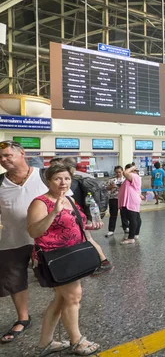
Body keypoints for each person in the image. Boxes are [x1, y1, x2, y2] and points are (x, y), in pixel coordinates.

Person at [26, 163, 101, 356]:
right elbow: (34, 231)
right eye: (58, 178)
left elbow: (75, 225)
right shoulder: (40, 202)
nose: (63, 182)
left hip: (72, 255)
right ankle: (77, 342)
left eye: (67, 178)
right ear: (48, 181)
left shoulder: (69, 199)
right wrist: (53, 213)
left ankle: (44, 343)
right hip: (56, 259)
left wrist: (91, 228)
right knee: (74, 297)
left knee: (61, 300)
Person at [0, 141, 49, 344]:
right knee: (15, 281)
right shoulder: (0, 183)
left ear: (22, 153)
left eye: (7, 155)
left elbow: (66, 202)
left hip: (46, 239)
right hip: (12, 241)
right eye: (1, 157)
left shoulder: (44, 176)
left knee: (58, 276)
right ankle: (23, 318)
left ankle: (64, 312)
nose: (3, 160)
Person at [49, 158, 113, 275]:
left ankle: (104, 262)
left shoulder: (71, 183)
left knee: (88, 239)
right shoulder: (81, 177)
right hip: (82, 213)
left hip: (77, 216)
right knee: (84, 239)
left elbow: (71, 201)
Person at [118, 164, 143, 245]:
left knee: (133, 219)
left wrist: (132, 168)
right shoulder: (134, 177)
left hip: (131, 201)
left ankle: (131, 238)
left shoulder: (134, 176)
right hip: (133, 200)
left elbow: (125, 173)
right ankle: (135, 234)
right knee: (136, 218)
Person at [105, 166, 128, 238]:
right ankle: (111, 230)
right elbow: (106, 188)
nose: (118, 173)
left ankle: (126, 227)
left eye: (119, 172)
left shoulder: (126, 179)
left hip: (123, 199)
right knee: (113, 215)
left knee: (124, 214)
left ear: (122, 171)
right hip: (113, 198)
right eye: (116, 172)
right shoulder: (111, 180)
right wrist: (111, 187)